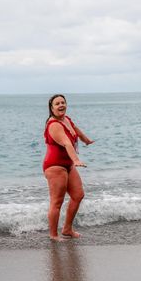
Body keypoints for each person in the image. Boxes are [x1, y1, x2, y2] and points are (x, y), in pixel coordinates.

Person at [43, 94, 94, 241]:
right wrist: (76, 160)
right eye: (57, 103)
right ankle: (53, 235)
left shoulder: (66, 119)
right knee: (56, 202)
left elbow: (75, 130)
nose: (61, 105)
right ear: (52, 108)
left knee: (78, 195)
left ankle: (67, 229)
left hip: (68, 165)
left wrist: (86, 140)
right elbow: (67, 143)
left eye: (63, 102)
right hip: (55, 166)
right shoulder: (54, 125)